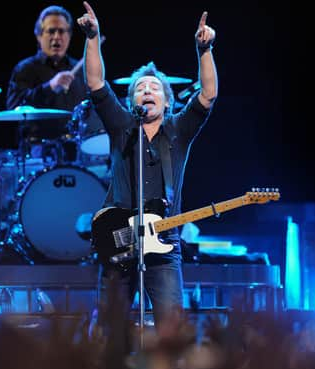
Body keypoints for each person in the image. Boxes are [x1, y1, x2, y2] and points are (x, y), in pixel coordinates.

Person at [77, 1, 218, 328]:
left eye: (154, 87)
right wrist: (93, 38)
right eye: (140, 88)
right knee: (109, 332)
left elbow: (208, 95)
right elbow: (96, 83)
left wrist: (205, 49)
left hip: (164, 248)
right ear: (132, 101)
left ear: (167, 100)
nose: (147, 91)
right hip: (118, 245)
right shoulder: (122, 126)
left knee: (172, 330)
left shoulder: (179, 131)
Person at [6, 5, 104, 164]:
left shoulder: (80, 69)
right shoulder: (25, 69)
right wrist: (49, 87)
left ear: (70, 35)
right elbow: (13, 106)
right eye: (51, 31)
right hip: (38, 153)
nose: (57, 37)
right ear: (39, 36)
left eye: (62, 31)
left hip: (77, 152)